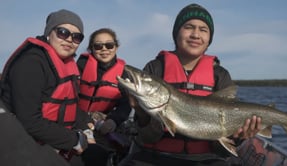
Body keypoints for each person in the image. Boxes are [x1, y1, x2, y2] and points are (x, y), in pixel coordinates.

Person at [119, 3, 262, 166]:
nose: (195, 34)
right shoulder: (155, 68)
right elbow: (147, 137)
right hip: (155, 155)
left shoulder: (220, 75)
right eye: (189, 27)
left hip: (207, 159)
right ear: (176, 33)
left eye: (203, 29)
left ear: (209, 39)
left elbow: (221, 149)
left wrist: (238, 136)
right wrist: (140, 111)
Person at [0, 9, 96, 166]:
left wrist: (84, 123)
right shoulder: (31, 63)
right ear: (49, 33)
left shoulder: (66, 64)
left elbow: (65, 104)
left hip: (53, 140)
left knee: (97, 155)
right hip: (24, 145)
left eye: (77, 37)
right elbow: (29, 120)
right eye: (63, 32)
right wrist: (74, 140)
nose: (70, 40)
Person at [77, 28, 132, 165]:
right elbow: (69, 94)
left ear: (116, 47)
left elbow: (126, 104)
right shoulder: (81, 65)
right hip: (77, 118)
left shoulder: (123, 74)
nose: (104, 49)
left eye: (109, 45)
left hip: (103, 123)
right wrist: (83, 120)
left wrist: (113, 121)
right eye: (98, 46)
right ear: (91, 49)